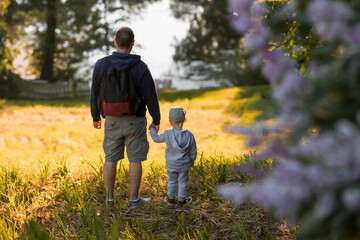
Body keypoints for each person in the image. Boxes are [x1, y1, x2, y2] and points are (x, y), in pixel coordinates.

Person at [90, 26, 161, 210]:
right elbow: (151, 96)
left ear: (115, 41)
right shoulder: (140, 67)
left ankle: (109, 201)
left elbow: (95, 93)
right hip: (135, 120)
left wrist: (95, 116)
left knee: (110, 158)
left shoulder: (101, 64)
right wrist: (156, 119)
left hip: (111, 119)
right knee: (135, 159)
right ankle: (134, 200)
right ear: (132, 43)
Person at [149, 106, 197, 206]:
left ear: (170, 121)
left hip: (171, 165)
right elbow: (193, 152)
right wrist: (191, 162)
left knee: (171, 181)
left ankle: (171, 199)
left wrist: (152, 130)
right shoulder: (190, 135)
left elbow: (156, 139)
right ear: (185, 120)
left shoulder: (167, 134)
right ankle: (181, 200)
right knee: (183, 182)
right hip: (184, 165)